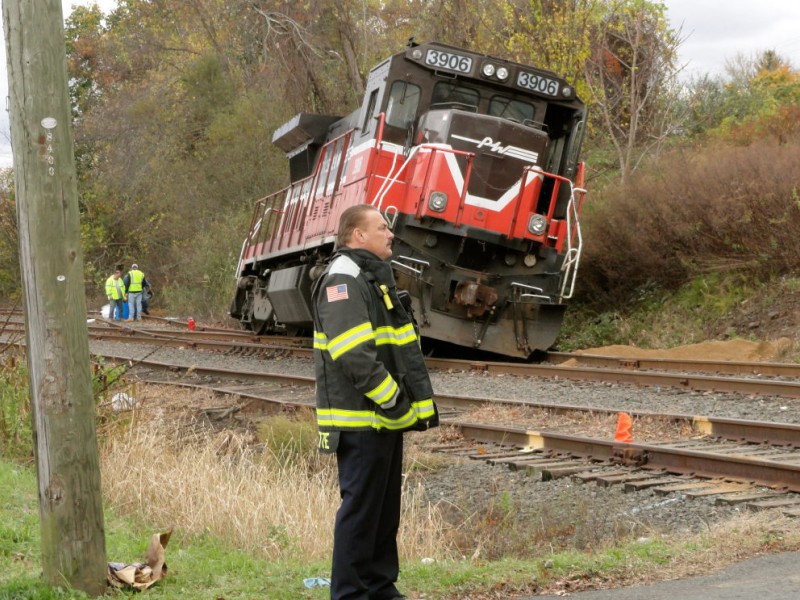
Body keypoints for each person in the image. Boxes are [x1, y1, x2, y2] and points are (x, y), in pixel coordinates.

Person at [311, 204, 439, 600]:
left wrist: (396, 409)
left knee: (383, 514)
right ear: (357, 235)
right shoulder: (343, 279)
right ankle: (350, 594)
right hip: (363, 419)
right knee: (362, 513)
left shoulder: (369, 276)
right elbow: (353, 354)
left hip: (381, 418)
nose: (390, 234)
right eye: (381, 227)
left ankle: (381, 588)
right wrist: (394, 401)